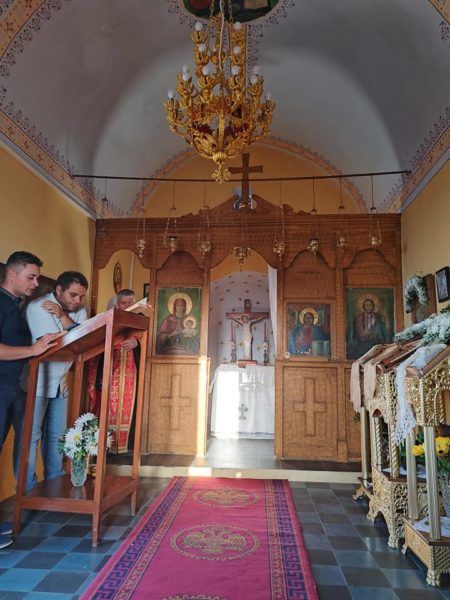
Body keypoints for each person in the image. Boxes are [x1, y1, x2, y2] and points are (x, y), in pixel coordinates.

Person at [0, 251, 59, 548]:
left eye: (37, 278)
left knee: (22, 443)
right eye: (31, 277)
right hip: (2, 387)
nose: (35, 283)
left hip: (17, 387)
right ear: (12, 274)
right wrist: (33, 350)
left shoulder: (17, 304)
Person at [23, 271, 88, 491]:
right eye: (73, 295)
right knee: (31, 436)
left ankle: (54, 483)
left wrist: (62, 316)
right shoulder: (38, 307)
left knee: (57, 436)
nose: (77, 301)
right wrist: (72, 328)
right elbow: (55, 345)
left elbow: (84, 339)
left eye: (81, 296)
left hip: (61, 383)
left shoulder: (78, 310)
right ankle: (28, 490)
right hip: (37, 381)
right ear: (59, 290)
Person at [88, 289, 140, 453]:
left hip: (131, 374)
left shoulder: (141, 320)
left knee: (131, 407)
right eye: (124, 303)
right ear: (118, 304)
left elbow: (150, 340)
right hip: (111, 370)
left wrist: (138, 343)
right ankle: (106, 445)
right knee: (108, 405)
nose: (128, 306)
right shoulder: (109, 319)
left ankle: (127, 446)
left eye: (130, 303)